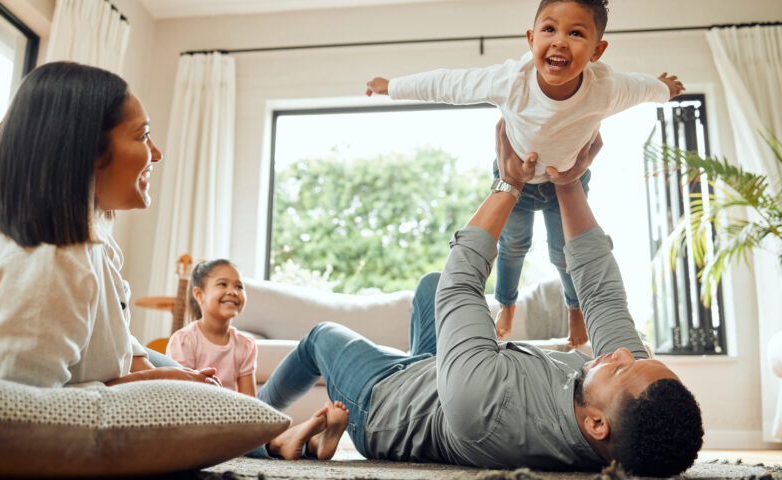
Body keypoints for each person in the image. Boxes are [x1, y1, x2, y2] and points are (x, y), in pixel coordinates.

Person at [257, 119, 703, 475]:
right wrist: (569, 185)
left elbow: (462, 283)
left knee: (321, 336)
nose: (622, 353)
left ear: (596, 425)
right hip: (441, 377)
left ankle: (256, 432)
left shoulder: (487, 412)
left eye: (622, 365)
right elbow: (602, 295)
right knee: (428, 284)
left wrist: (509, 183)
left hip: (383, 404)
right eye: (635, 356)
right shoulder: (616, 405)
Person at [0, 61, 339, 461]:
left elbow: (114, 336)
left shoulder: (91, 238)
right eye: (143, 136)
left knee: (210, 389)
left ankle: (277, 438)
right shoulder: (49, 265)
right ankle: (276, 441)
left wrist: (152, 373)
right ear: (86, 150)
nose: (157, 153)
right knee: (216, 397)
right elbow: (16, 413)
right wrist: (145, 384)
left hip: (127, 360)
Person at [365, 0, 685, 348]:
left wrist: (664, 89)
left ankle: (574, 307)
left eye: (576, 33)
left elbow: (642, 88)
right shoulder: (510, 80)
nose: (560, 41)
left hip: (566, 179)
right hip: (516, 178)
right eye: (550, 29)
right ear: (531, 39)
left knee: (563, 252)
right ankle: (506, 303)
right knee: (513, 245)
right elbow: (449, 84)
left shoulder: (605, 88)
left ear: (597, 51)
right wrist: (393, 86)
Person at [167, 258, 349, 459]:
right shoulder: (184, 340)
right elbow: (181, 399)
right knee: (229, 442)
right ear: (199, 294)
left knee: (251, 429)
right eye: (222, 284)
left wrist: (254, 425)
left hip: (237, 417)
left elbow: (251, 403)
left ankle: (309, 443)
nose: (233, 291)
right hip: (200, 420)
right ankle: (298, 443)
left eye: (239, 286)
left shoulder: (245, 344)